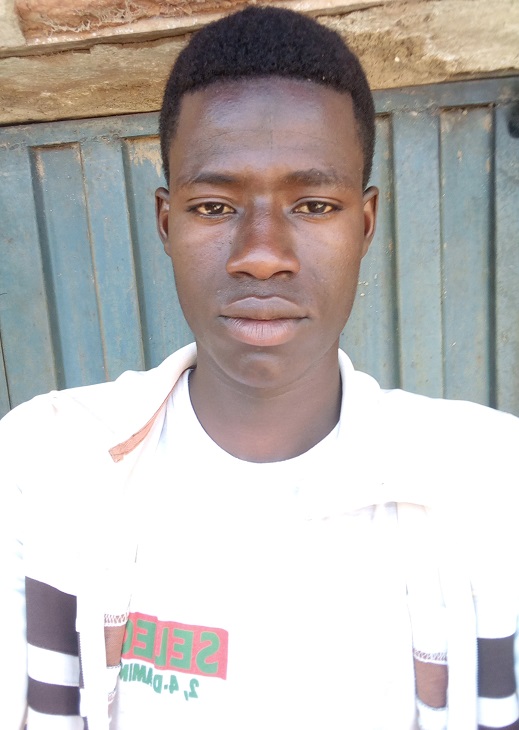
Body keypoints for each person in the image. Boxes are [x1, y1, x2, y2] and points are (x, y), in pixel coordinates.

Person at [1, 6, 518, 730]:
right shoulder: (43, 465)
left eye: (314, 204)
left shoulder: (488, 483)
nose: (262, 255)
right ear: (166, 223)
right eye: (215, 206)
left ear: (365, 224)